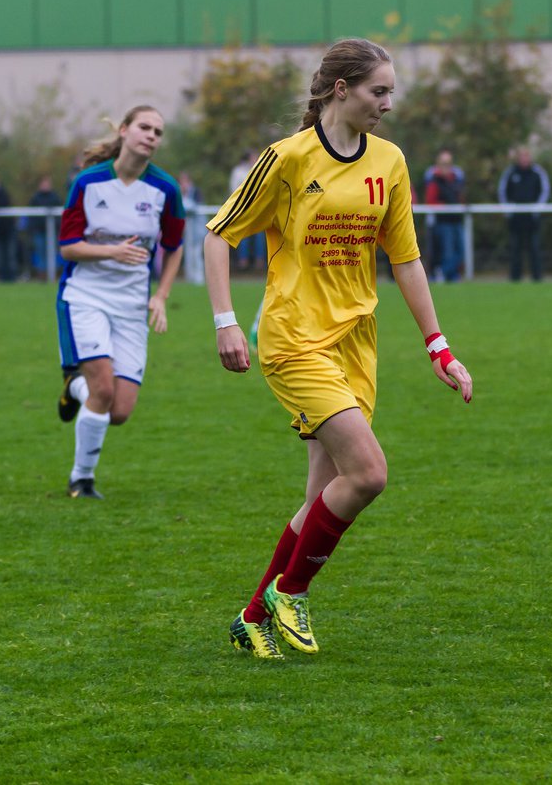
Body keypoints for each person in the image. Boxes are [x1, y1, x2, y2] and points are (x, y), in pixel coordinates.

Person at [204, 38, 474, 660]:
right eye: (379, 91)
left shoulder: (391, 162)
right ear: (340, 89)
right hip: (294, 338)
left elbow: (405, 259)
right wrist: (224, 321)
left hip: (356, 344)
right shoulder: (289, 159)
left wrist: (439, 347)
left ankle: (251, 618)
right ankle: (290, 593)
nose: (387, 104)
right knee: (369, 473)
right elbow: (219, 236)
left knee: (319, 498)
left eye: (391, 93)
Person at [54, 106, 185, 500]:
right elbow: (67, 248)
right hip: (86, 297)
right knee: (104, 390)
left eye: (158, 132)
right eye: (144, 127)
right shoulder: (88, 182)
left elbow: (174, 247)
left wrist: (160, 296)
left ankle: (72, 388)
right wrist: (111, 252)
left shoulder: (165, 189)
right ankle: (82, 479)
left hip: (131, 305)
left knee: (120, 410)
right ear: (125, 131)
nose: (151, 136)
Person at [498, 146, 550, 282]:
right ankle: (515, 278)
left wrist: (537, 209)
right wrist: (508, 211)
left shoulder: (537, 172)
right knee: (515, 249)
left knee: (534, 248)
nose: (524, 159)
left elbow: (545, 191)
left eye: (526, 156)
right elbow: (502, 191)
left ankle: (537, 277)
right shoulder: (510, 172)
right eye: (522, 156)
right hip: (516, 219)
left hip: (532, 219)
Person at [424, 149, 465, 282]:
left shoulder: (456, 179)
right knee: (448, 252)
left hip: (457, 220)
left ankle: (445, 272)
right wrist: (445, 206)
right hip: (443, 222)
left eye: (448, 164)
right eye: (443, 163)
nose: (446, 167)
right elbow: (431, 201)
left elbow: (460, 197)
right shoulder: (434, 180)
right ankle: (443, 274)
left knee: (460, 251)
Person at [228, 151, 266, 271]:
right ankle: (243, 261)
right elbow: (234, 189)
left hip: (257, 208)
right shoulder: (238, 171)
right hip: (243, 208)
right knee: (243, 235)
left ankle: (259, 261)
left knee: (259, 236)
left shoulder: (261, 167)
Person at [25, 176, 62, 281]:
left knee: (53, 254)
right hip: (39, 231)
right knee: (40, 254)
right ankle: (42, 276)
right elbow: (31, 215)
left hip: (53, 232)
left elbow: (59, 215)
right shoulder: (35, 198)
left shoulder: (55, 197)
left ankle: (53, 275)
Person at [177, 171, 205, 284]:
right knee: (188, 254)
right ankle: (190, 277)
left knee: (196, 253)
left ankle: (199, 278)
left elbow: (196, 207)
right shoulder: (179, 193)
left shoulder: (196, 192)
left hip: (197, 229)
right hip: (186, 231)